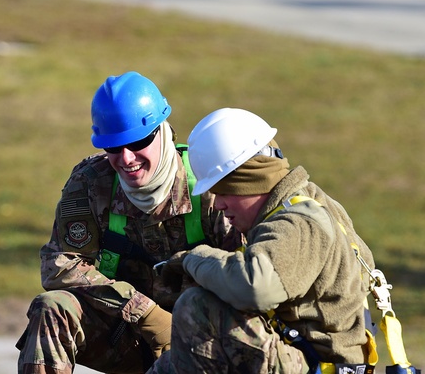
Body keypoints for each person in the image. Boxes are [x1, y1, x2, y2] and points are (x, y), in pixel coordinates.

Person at [16, 72, 239, 374]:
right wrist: (144, 313)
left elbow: (246, 279)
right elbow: (59, 266)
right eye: (113, 147)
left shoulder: (208, 185)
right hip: (124, 338)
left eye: (138, 141)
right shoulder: (91, 183)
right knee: (52, 308)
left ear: (161, 130)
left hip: (202, 343)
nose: (127, 158)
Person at [150, 107, 378, 374]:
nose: (219, 204)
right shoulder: (311, 201)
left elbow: (256, 286)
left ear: (250, 180)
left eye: (223, 191)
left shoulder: (298, 223)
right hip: (312, 358)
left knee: (198, 306)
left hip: (321, 365)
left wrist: (193, 260)